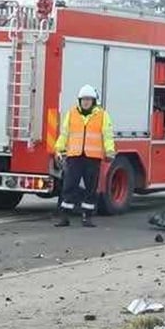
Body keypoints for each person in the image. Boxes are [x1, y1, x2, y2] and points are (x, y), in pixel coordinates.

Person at [53, 84, 115, 228]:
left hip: (93, 158)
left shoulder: (102, 115)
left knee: (91, 188)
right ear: (79, 100)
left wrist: (110, 150)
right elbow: (64, 133)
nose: (86, 102)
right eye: (83, 99)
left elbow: (107, 135)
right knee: (69, 186)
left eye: (89, 99)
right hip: (74, 156)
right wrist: (58, 149)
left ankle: (87, 217)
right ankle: (64, 217)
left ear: (94, 101)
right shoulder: (72, 113)